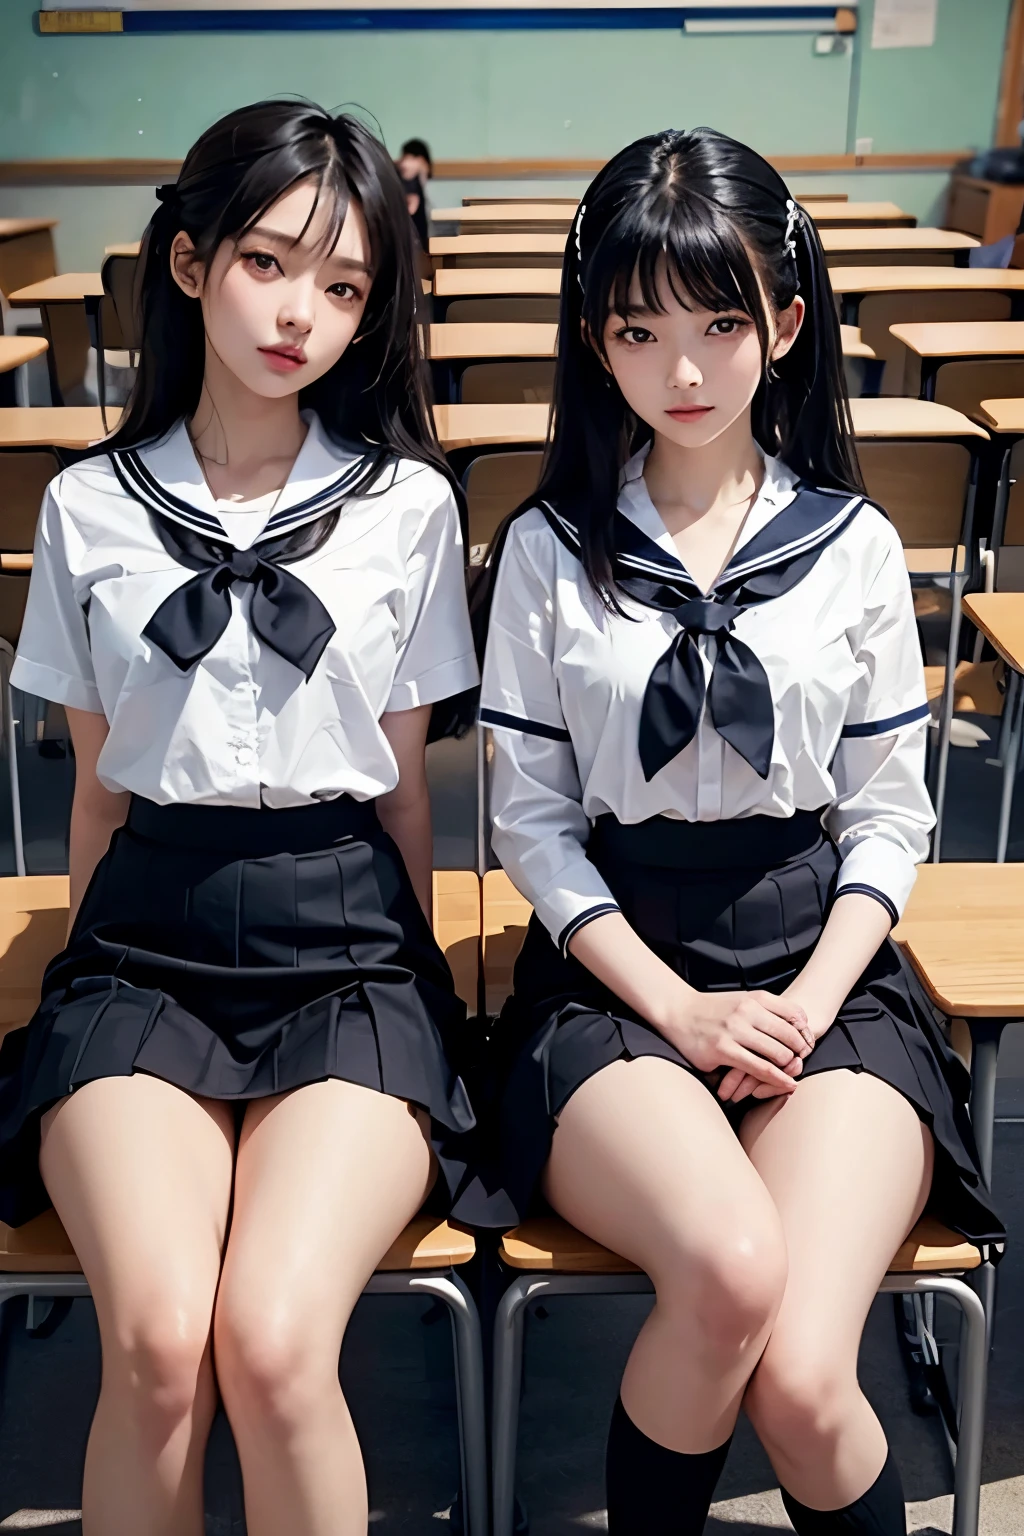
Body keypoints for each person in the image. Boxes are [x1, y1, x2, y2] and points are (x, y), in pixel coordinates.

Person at [475, 128, 1003, 1536]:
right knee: (725, 1268)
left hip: (824, 970)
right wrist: (682, 1009)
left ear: (786, 319)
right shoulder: (547, 549)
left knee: (807, 1378)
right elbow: (529, 825)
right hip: (615, 979)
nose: (688, 371)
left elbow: (891, 815)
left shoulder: (853, 547)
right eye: (643, 330)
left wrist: (804, 1002)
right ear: (597, 342)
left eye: (721, 323)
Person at [0, 100, 479, 1536]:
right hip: (147, 931)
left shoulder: (407, 506)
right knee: (154, 1342)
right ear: (194, 263)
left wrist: (434, 999)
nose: (303, 316)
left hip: (347, 936)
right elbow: (92, 786)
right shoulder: (87, 507)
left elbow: (407, 794)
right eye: (273, 265)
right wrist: (76, 971)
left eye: (344, 289)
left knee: (270, 1340)